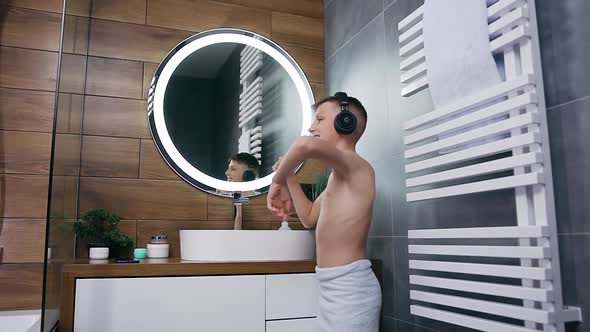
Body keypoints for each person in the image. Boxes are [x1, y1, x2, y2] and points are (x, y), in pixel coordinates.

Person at [268, 92, 381, 331]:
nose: (311, 127)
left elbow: (304, 145)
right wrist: (288, 178)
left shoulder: (359, 168)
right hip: (332, 288)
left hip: (351, 289)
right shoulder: (337, 177)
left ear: (345, 122)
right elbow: (309, 218)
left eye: (319, 119)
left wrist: (276, 181)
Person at [223, 152, 259, 229]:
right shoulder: (232, 194)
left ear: (248, 175)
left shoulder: (244, 197)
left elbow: (240, 217)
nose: (226, 173)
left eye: (233, 169)